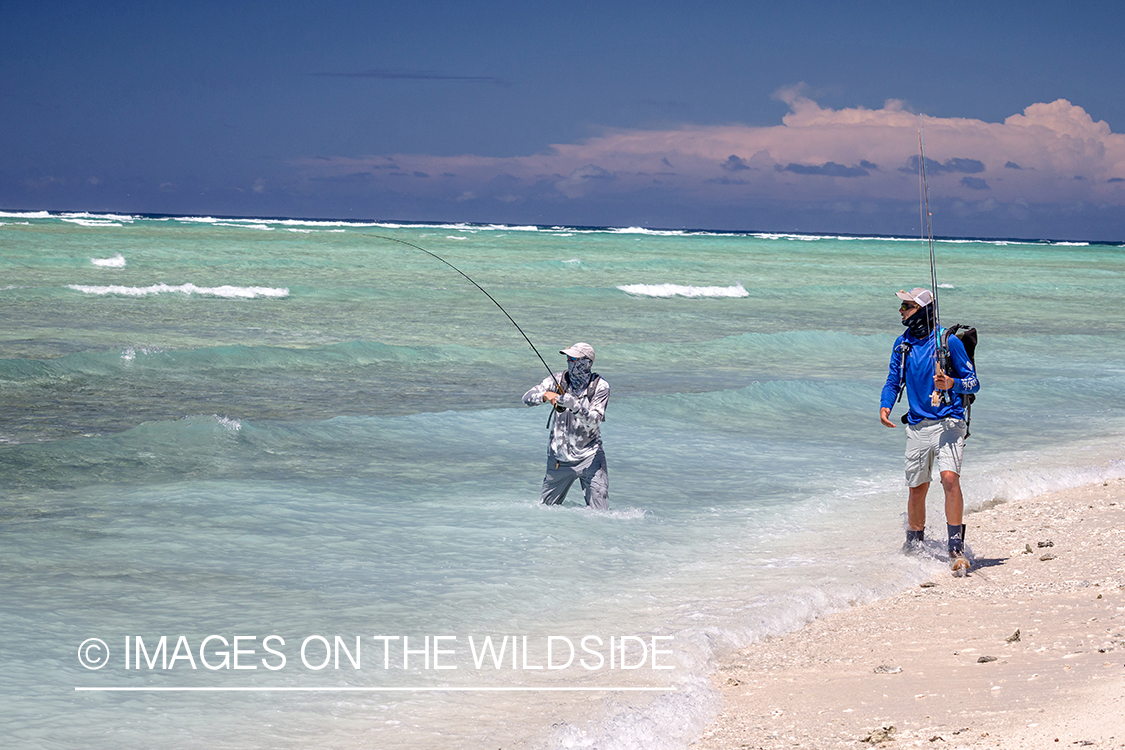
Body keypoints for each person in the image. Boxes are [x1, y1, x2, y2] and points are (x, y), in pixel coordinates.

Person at [879, 288, 980, 574]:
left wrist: (952, 383)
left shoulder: (948, 342)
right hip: (917, 423)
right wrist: (885, 405)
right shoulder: (902, 344)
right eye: (901, 305)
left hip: (950, 420)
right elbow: (892, 381)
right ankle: (914, 546)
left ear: (922, 310)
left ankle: (955, 549)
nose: (900, 310)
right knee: (917, 488)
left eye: (906, 305)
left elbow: (974, 383)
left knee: (949, 479)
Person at [522, 342, 610, 509]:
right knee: (546, 511)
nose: (569, 361)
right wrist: (546, 396)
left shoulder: (600, 386)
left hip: (591, 457)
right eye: (568, 358)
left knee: (601, 515)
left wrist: (575, 406)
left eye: (574, 358)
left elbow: (594, 421)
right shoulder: (557, 379)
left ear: (587, 363)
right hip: (558, 459)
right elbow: (526, 397)